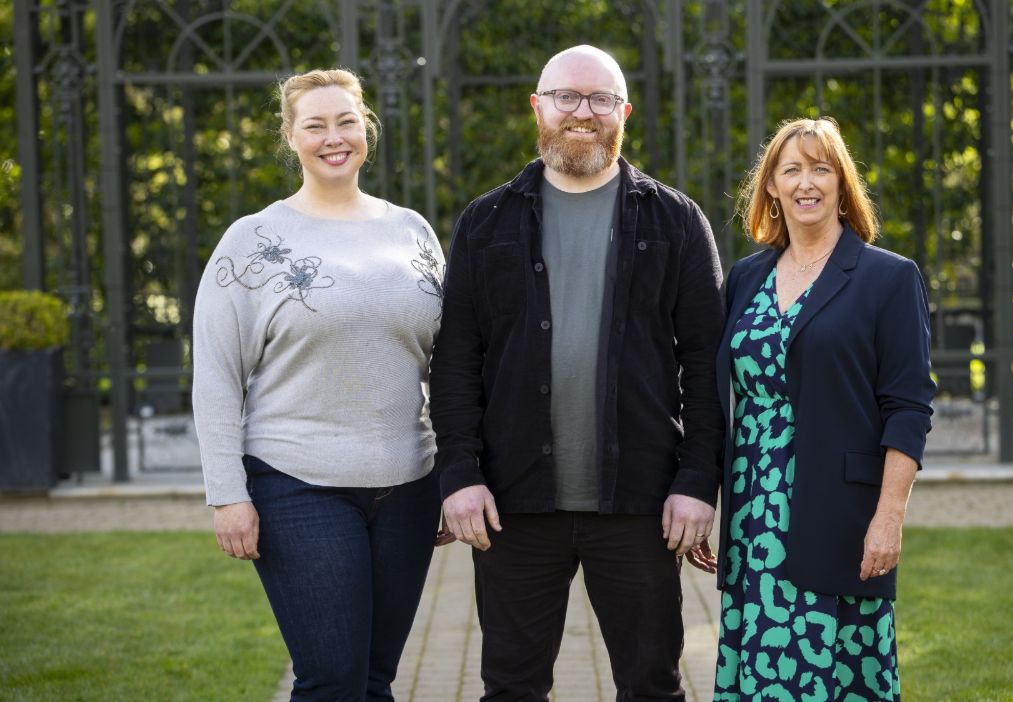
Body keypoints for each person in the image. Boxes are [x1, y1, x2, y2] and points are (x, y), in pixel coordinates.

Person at [429, 44, 726, 700]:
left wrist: (698, 482)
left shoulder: (674, 221)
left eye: (599, 99)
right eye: (566, 96)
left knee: (651, 685)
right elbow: (454, 361)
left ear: (624, 112)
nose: (581, 112)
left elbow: (706, 365)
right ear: (537, 106)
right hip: (511, 503)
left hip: (641, 502)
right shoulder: (486, 222)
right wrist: (459, 476)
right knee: (510, 686)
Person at [192, 68, 447, 701]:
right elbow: (217, 375)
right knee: (331, 681)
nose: (333, 138)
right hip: (297, 484)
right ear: (291, 136)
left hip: (410, 486)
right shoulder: (252, 241)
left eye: (346, 122)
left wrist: (456, 473)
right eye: (315, 125)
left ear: (366, 130)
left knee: (374, 680)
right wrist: (227, 495)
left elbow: (448, 363)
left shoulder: (411, 230)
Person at [712, 117, 936, 701]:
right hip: (752, 514)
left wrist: (889, 517)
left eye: (821, 167)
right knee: (759, 672)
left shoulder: (888, 278)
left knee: (835, 678)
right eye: (791, 170)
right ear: (771, 188)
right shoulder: (745, 277)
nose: (806, 182)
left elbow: (909, 407)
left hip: (840, 516)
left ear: (842, 183)